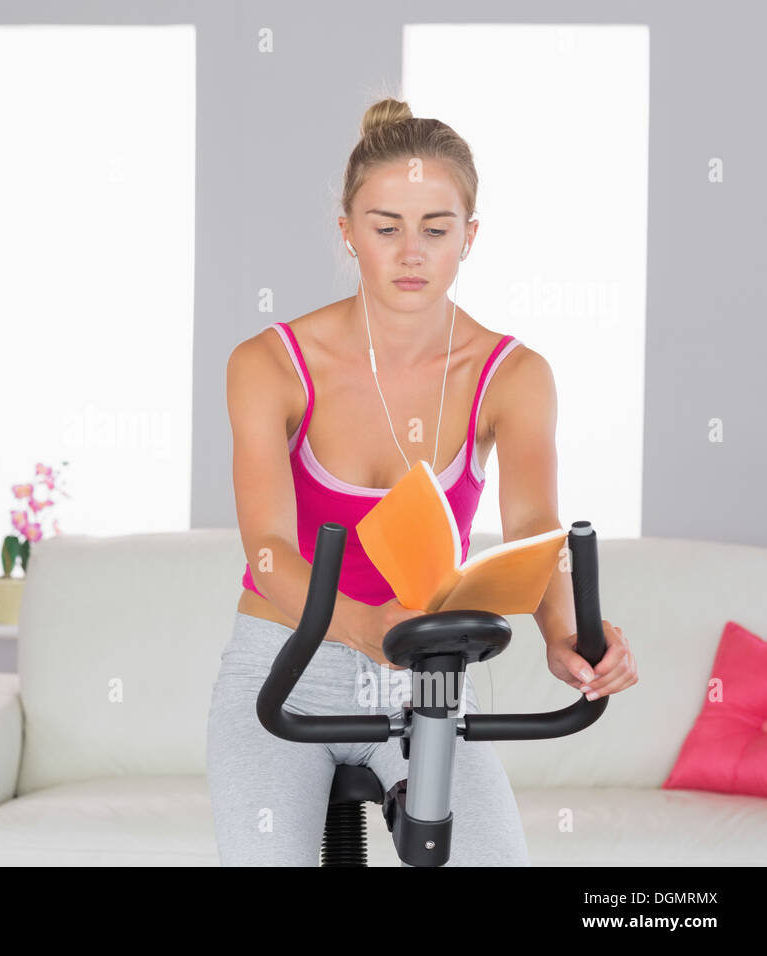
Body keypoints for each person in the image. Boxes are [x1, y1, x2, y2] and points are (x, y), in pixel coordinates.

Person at [207, 96, 638, 867]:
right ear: (347, 234)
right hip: (286, 666)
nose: (412, 253)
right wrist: (367, 629)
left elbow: (537, 525)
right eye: (385, 228)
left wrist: (569, 637)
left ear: (469, 238)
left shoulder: (514, 375)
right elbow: (268, 550)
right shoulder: (267, 364)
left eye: (436, 229)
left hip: (423, 681)